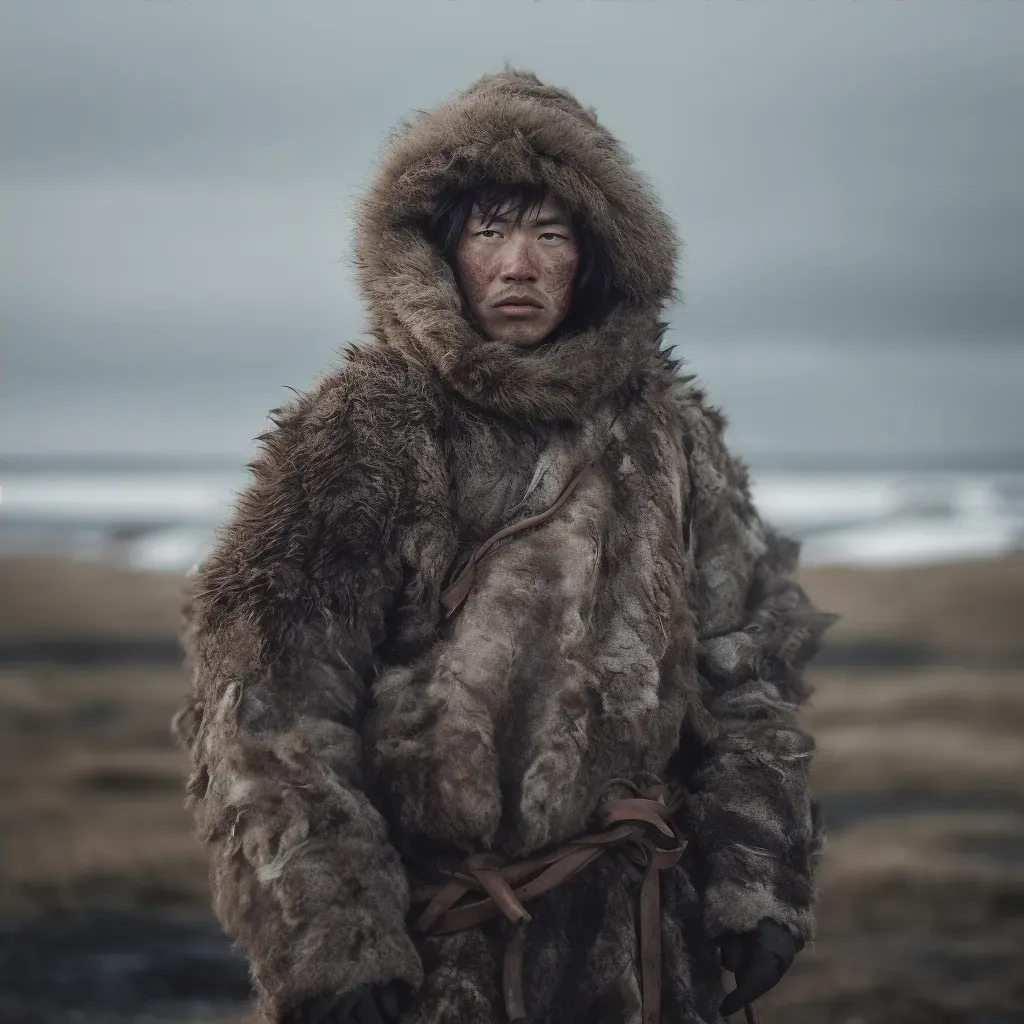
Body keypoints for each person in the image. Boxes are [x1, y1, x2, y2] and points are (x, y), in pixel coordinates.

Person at [174, 70, 836, 1024]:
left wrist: (759, 877)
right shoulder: (365, 426)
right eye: (489, 231)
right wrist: (336, 939)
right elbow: (268, 700)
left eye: (551, 234)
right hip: (439, 946)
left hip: (642, 947)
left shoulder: (671, 432)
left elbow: (749, 673)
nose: (518, 264)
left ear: (597, 258)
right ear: (440, 251)